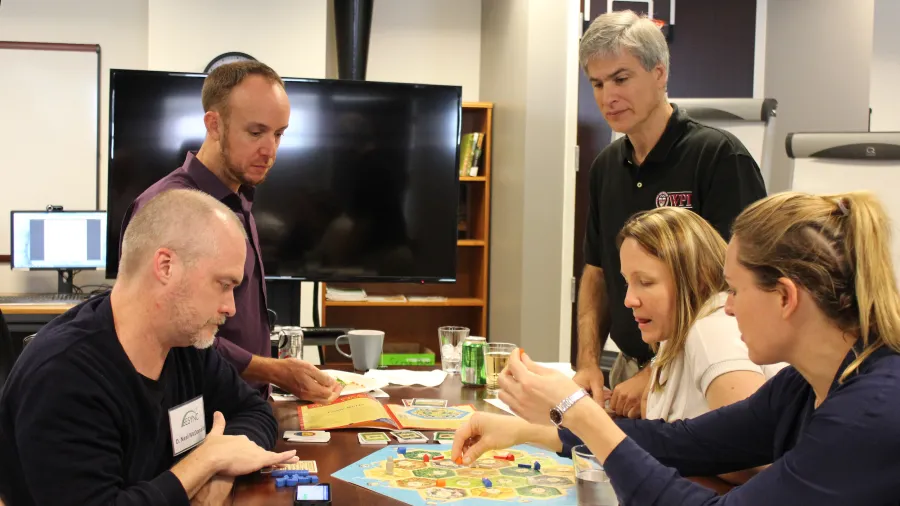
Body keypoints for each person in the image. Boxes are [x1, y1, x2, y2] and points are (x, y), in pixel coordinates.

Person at [452, 191, 900, 504]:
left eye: (736, 292)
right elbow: (679, 442)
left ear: (785, 297)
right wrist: (526, 431)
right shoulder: (802, 387)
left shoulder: (870, 414)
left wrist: (576, 408)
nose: (726, 310)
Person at [0, 189, 299, 505]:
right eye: (223, 285)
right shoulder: (63, 376)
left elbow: (255, 410)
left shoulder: (186, 344)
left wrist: (218, 473)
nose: (230, 307)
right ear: (166, 267)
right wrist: (203, 463)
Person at [573, 9, 767, 419]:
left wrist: (659, 371)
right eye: (598, 83)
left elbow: (736, 284)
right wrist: (588, 362)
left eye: (622, 79)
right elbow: (596, 272)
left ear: (659, 73)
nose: (609, 96)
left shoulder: (718, 156)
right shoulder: (606, 167)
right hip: (627, 369)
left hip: (700, 369)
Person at [120, 60, 340, 403]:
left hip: (245, 408)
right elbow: (169, 329)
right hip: (198, 417)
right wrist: (272, 369)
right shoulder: (168, 208)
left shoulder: (239, 198)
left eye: (279, 134)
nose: (270, 150)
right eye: (256, 132)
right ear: (214, 124)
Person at [616, 206, 782, 426]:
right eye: (627, 282)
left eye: (645, 282)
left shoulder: (711, 330)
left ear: (698, 277)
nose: (629, 300)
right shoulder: (678, 334)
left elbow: (750, 445)